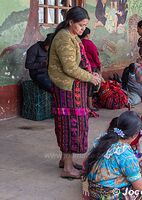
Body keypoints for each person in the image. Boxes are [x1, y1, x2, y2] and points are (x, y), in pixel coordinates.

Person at [48, 6, 102, 179]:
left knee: (72, 124)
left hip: (72, 88)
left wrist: (90, 73)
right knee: (70, 125)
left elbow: (78, 63)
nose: (83, 29)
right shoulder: (64, 38)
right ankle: (68, 169)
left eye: (85, 25)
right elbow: (69, 67)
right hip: (67, 89)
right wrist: (90, 77)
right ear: (71, 22)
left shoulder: (72, 36)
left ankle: (65, 161)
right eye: (80, 25)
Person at [79, 27, 102, 111]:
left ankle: (83, 104)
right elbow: (95, 56)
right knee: (90, 87)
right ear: (88, 34)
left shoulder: (78, 42)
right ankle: (90, 105)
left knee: (83, 86)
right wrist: (99, 66)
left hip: (81, 68)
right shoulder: (89, 43)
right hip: (91, 67)